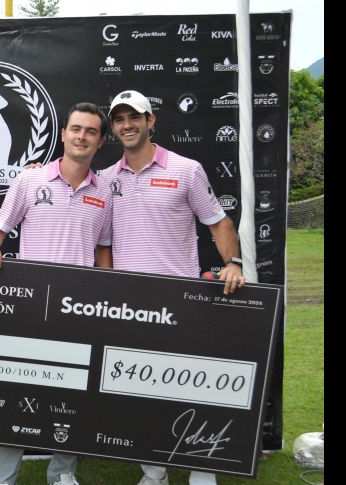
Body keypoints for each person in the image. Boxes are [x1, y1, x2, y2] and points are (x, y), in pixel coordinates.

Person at [99, 90, 245, 485]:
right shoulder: (107, 180)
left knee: (193, 390)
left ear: (151, 121)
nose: (127, 124)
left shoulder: (187, 169)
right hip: (133, 306)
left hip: (182, 302)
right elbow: (105, 245)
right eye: (119, 119)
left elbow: (219, 223)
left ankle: (201, 471)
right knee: (143, 395)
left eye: (135, 116)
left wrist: (232, 263)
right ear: (113, 128)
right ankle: (155, 472)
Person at [0, 102, 113, 485]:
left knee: (70, 396)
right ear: (65, 133)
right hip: (29, 309)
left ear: (101, 141)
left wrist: (106, 298)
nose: (81, 136)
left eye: (90, 131)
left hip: (79, 311)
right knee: (16, 390)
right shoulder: (29, 181)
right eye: (75, 129)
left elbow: (103, 249)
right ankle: (5, 478)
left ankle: (62, 473)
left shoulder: (105, 191)